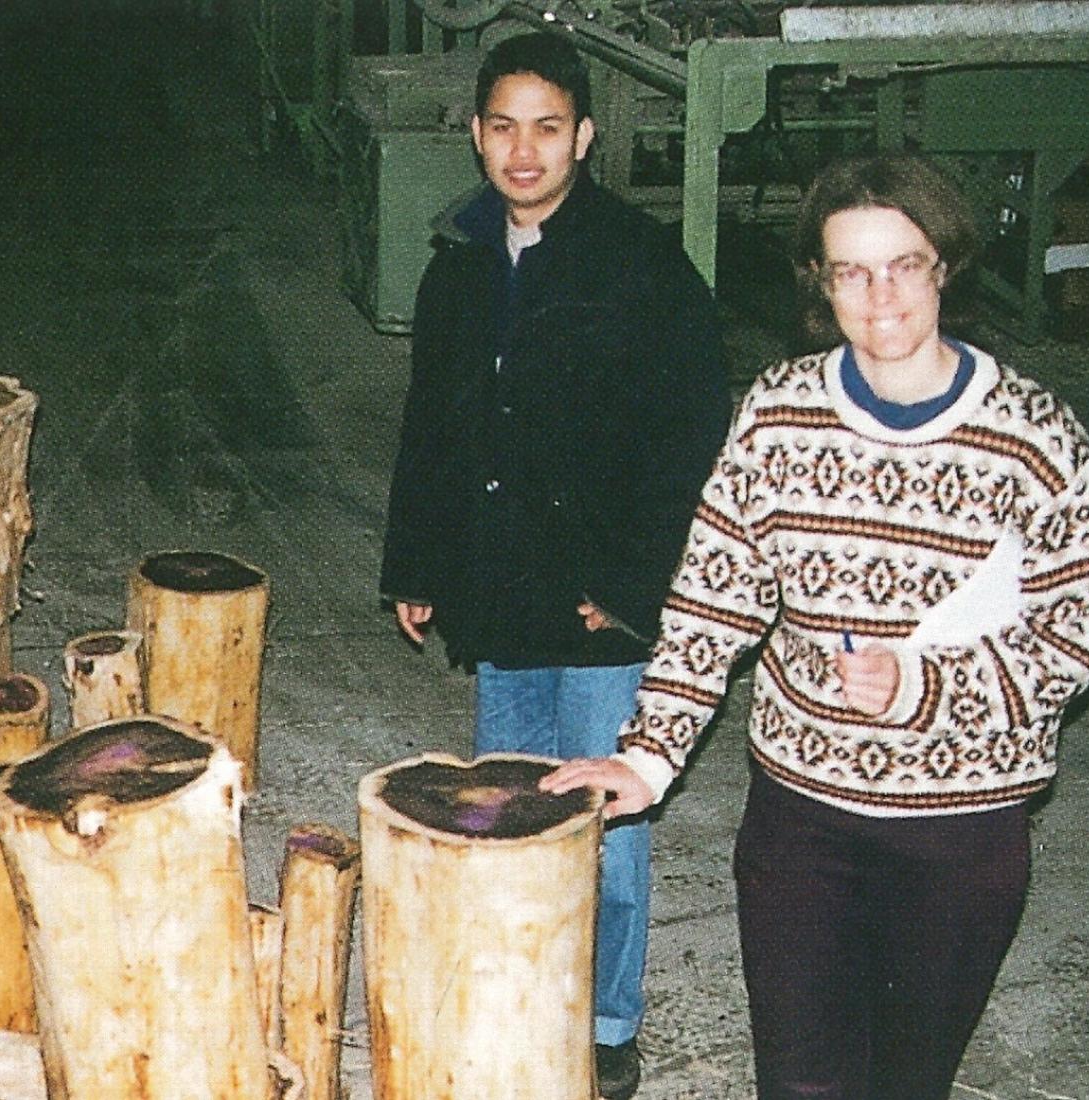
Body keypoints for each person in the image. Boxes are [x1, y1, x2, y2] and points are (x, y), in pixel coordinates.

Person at [542, 153, 1089, 1099]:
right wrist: (645, 759)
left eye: (904, 263)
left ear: (946, 267)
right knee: (801, 1084)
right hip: (802, 820)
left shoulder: (1034, 436)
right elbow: (711, 599)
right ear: (820, 282)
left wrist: (922, 686)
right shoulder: (778, 413)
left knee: (902, 1084)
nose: (880, 294)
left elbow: (1073, 636)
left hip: (961, 831)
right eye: (851, 269)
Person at [378, 33, 731, 1098]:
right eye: (501, 125)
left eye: (546, 126)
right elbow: (431, 427)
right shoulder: (458, 259)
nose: (522, 150)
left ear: (583, 135)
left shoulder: (639, 264)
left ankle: (608, 1017)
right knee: (507, 807)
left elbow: (688, 437)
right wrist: (417, 561)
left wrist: (630, 586)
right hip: (499, 587)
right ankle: (520, 988)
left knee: (603, 817)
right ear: (477, 133)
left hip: (595, 602)